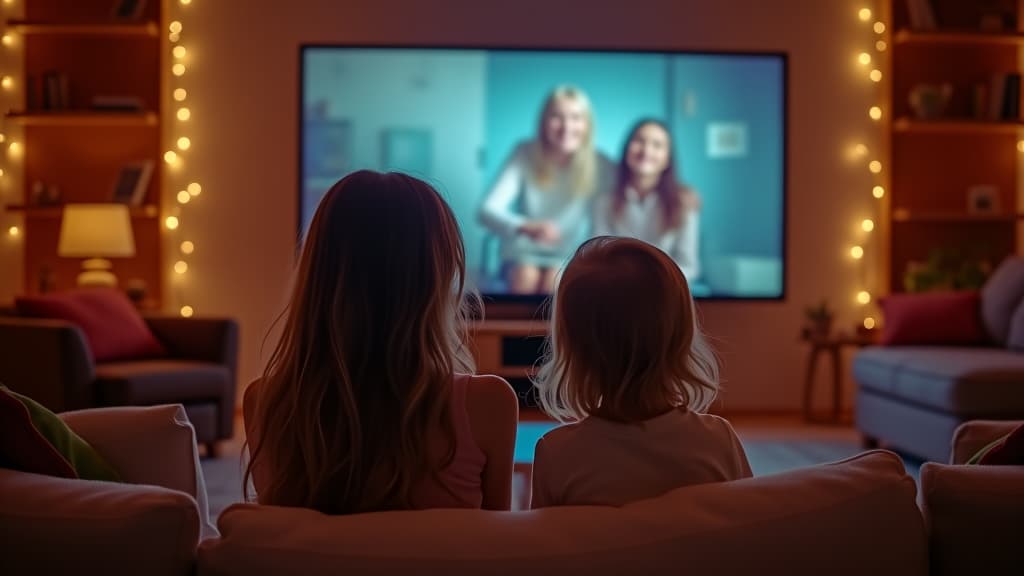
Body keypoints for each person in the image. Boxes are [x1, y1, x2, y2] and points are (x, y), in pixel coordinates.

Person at [244, 170, 519, 514]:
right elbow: (500, 547)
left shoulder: (266, 403)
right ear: (439, 278)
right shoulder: (488, 404)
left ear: (317, 275)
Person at [530, 236, 751, 508]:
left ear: (572, 348)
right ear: (680, 338)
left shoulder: (557, 454)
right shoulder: (718, 441)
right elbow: (745, 528)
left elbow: (543, 545)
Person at [479, 85, 615, 294]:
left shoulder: (602, 164)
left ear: (587, 124)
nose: (567, 126)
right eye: (557, 117)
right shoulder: (524, 152)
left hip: (569, 254)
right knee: (525, 277)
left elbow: (624, 200)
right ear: (544, 122)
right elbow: (486, 211)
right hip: (521, 252)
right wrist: (526, 226)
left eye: (576, 117)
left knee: (555, 281)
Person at [593, 119, 702, 280]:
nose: (646, 150)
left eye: (657, 145)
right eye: (639, 141)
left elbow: (689, 265)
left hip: (666, 289)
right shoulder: (604, 203)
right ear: (626, 149)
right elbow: (598, 257)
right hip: (618, 288)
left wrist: (654, 280)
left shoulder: (684, 203)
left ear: (667, 159)